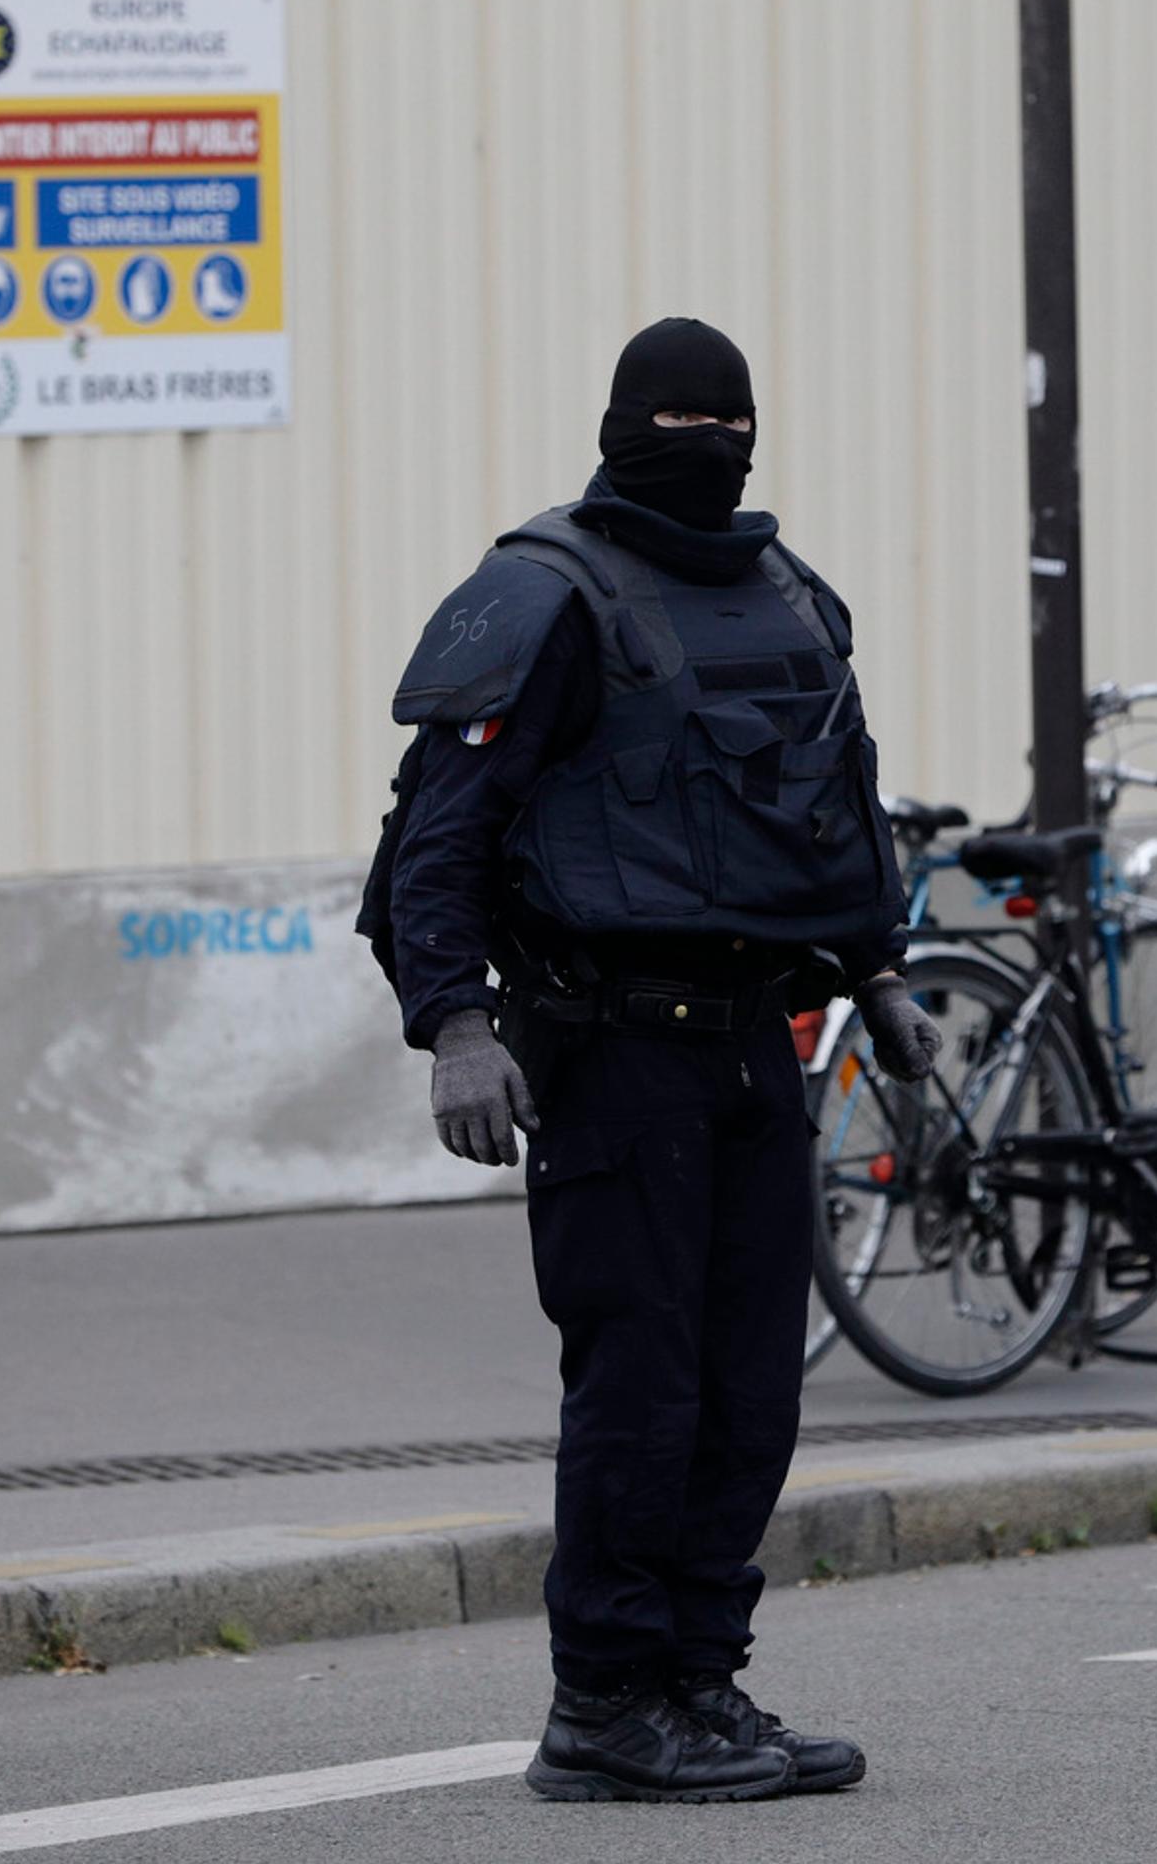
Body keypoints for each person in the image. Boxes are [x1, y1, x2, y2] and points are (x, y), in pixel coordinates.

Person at [380, 317, 943, 1804]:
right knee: (643, 1388)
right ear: (625, 424)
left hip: (760, 1049)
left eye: (729, 425)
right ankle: (606, 1705)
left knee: (752, 1389)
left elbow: (842, 807)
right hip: (613, 1057)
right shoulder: (544, 598)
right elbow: (434, 842)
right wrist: (455, 1026)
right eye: (681, 424)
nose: (708, 449)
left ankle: (700, 1682)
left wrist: (882, 979)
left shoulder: (788, 597)